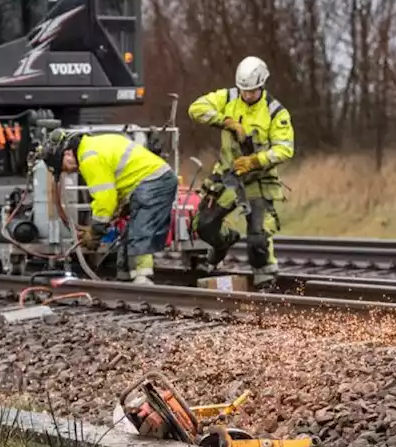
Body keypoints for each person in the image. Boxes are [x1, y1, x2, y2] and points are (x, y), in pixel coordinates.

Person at [188, 56, 295, 289]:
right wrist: (225, 121)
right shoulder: (227, 98)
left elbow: (285, 149)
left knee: (257, 236)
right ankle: (223, 242)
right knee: (204, 225)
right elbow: (196, 109)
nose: (247, 95)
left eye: (252, 91)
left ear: (262, 85)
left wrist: (256, 160)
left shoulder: (275, 113)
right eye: (243, 91)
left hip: (258, 179)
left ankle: (265, 278)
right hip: (227, 175)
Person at [40, 129, 178, 284]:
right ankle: (125, 277)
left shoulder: (89, 159)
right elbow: (114, 188)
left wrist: (96, 230)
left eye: (64, 167)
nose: (69, 171)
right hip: (149, 181)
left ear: (67, 154)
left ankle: (143, 279)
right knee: (130, 233)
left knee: (141, 230)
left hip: (155, 181)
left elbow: (105, 198)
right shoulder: (93, 145)